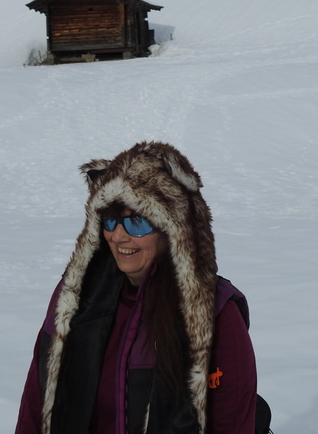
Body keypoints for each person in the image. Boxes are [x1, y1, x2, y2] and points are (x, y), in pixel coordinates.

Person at [15, 141, 258, 434]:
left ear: (173, 231)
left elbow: (231, 423)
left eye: (138, 223)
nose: (118, 236)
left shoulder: (215, 314)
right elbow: (35, 403)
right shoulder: (75, 297)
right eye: (110, 220)